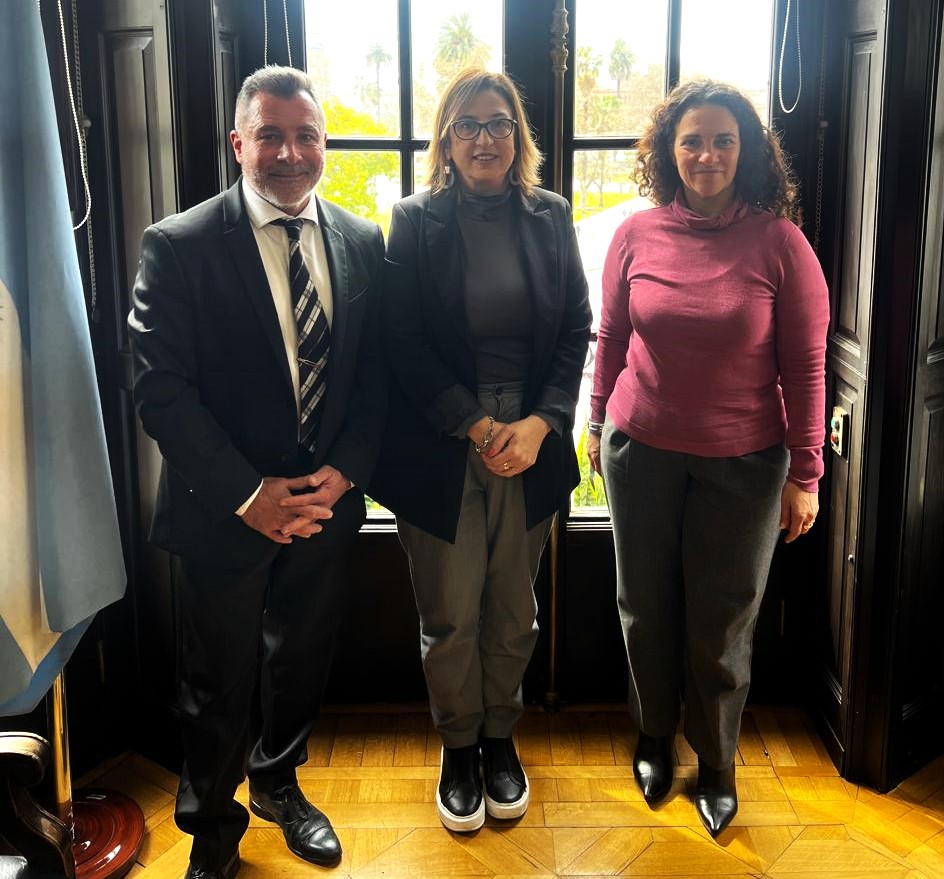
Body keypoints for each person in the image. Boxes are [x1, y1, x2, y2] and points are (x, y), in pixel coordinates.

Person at [128, 66, 386, 878]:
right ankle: (211, 829)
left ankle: (279, 784)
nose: (289, 152)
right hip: (222, 511)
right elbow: (160, 391)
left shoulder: (362, 240)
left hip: (324, 504)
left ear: (324, 144)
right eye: (270, 135)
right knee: (216, 680)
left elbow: (378, 374)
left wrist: (346, 471)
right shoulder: (179, 244)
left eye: (306, 135)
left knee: (300, 660)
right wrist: (248, 495)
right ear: (238, 142)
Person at [587, 80, 829, 838]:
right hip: (640, 450)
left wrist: (806, 473)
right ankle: (654, 735)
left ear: (747, 151)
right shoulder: (636, 234)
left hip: (744, 463)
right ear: (669, 150)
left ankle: (717, 761)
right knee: (644, 604)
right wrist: (595, 421)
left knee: (723, 619)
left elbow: (807, 367)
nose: (707, 154)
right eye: (691, 139)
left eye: (724, 140)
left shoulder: (780, 243)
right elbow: (611, 336)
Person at [368, 69, 591, 832]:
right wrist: (474, 423)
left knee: (513, 607)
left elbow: (575, 327)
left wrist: (542, 422)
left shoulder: (551, 216)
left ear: (518, 136)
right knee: (450, 609)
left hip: (529, 438)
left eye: (498, 123)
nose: (484, 138)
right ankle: (458, 745)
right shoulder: (413, 219)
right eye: (467, 124)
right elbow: (399, 337)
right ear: (446, 138)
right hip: (442, 440)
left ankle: (501, 737)